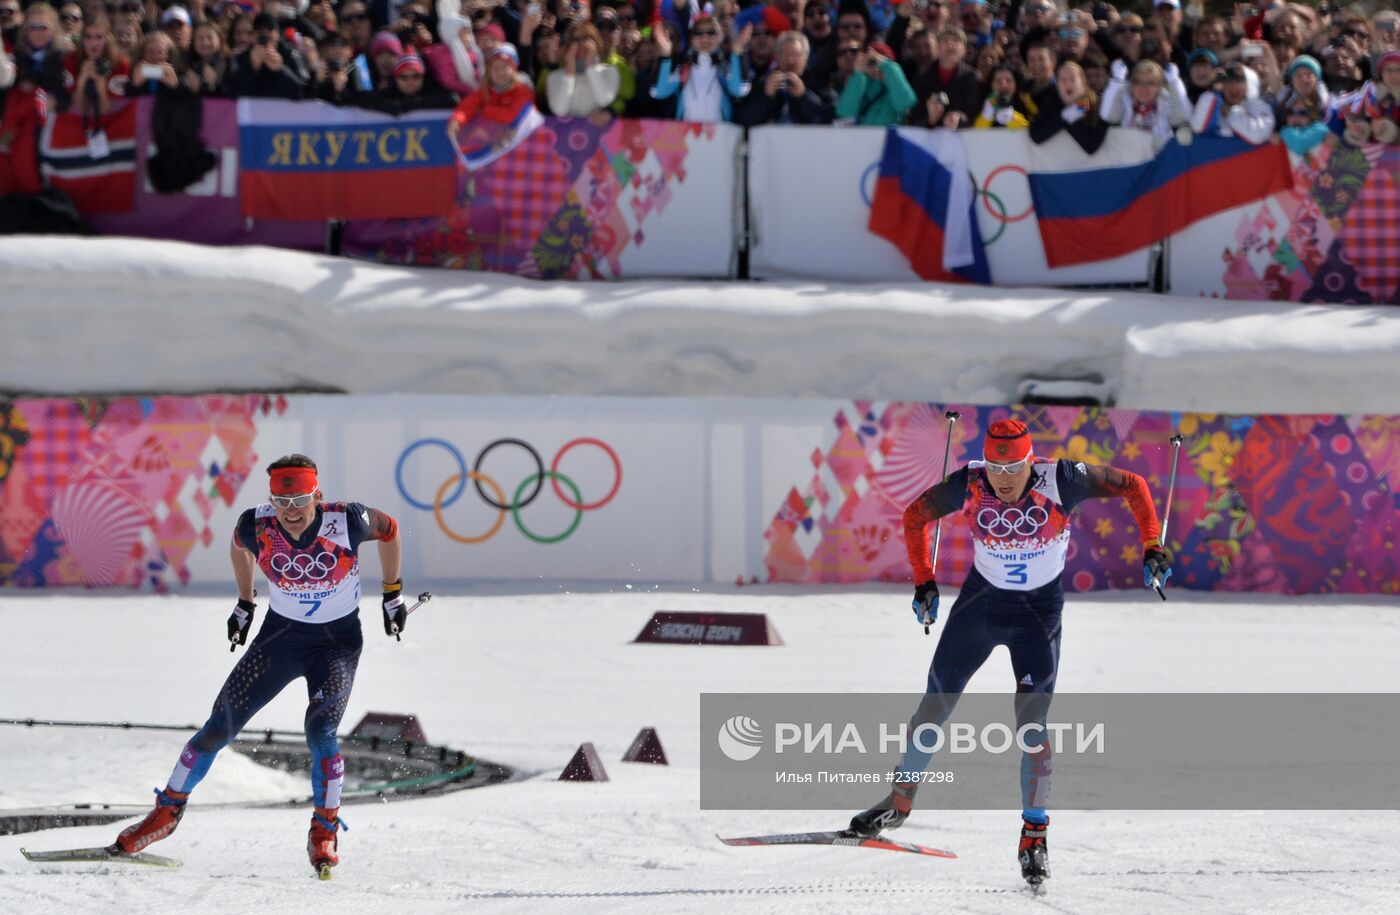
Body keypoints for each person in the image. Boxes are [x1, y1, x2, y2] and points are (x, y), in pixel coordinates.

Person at [846, 419, 1170, 890]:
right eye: (996, 467)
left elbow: (1133, 485)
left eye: (1013, 467)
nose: (1002, 477)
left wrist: (1152, 546)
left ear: (1029, 460)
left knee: (1032, 727)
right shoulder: (970, 483)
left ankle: (1033, 836)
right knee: (932, 708)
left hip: (1037, 615)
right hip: (981, 606)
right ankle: (898, 804)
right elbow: (914, 517)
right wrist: (924, 580)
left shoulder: (1062, 479)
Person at [112, 454, 409, 877]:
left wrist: (393, 594)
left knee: (320, 733)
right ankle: (166, 814)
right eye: (281, 501)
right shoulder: (255, 524)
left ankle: (324, 830)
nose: (290, 512)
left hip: (335, 645)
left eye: (300, 500)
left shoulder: (349, 520)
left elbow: (391, 531)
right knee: (218, 727)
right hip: (280, 640)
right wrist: (245, 601)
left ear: (317, 497)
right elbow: (238, 549)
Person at [649, 14, 749, 123]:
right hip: (686, 136)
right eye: (698, 33)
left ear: (720, 36)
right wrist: (664, 56)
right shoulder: (683, 67)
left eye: (711, 32)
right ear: (691, 39)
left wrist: (737, 52)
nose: (705, 38)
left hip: (720, 136)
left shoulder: (725, 65)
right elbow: (658, 92)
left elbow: (740, 90)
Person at [1099, 58, 1189, 149]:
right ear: (1132, 85)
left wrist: (1175, 83)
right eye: (1138, 82)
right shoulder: (1124, 100)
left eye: (1150, 83)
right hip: (1131, 158)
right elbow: (1108, 116)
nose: (1144, 88)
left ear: (1159, 86)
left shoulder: (1166, 102)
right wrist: (1117, 81)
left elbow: (1182, 116)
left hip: (1162, 158)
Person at [1029, 58, 1107, 154]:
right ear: (1057, 85)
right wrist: (1066, 114)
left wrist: (1075, 110)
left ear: (1083, 82)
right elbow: (1036, 136)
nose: (1068, 84)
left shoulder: (1096, 105)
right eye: (1063, 80)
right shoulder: (1052, 104)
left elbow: (1090, 146)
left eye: (1072, 79)